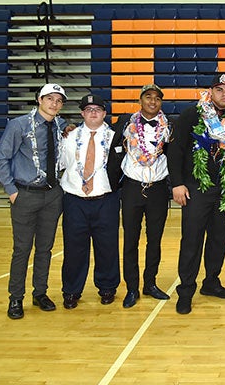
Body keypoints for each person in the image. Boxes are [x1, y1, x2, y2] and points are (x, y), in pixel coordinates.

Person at [168, 74, 225, 314]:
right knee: (191, 240)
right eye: (219, 89)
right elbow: (176, 149)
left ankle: (211, 282)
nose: (224, 94)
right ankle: (186, 290)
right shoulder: (193, 114)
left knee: (219, 239)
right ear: (210, 91)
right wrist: (177, 183)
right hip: (195, 189)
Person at [0, 83, 68, 319]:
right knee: (22, 249)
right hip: (25, 193)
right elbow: (2, 158)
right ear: (39, 99)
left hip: (52, 194)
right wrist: (11, 190)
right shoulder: (19, 125)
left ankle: (40, 292)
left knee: (45, 248)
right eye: (50, 98)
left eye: (58, 100)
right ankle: (16, 297)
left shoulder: (60, 125)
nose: (54, 103)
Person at [59, 94, 122, 309]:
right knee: (74, 248)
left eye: (97, 109)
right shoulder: (69, 136)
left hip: (106, 199)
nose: (93, 113)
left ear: (105, 114)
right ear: (82, 113)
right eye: (88, 109)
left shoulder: (116, 137)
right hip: (75, 200)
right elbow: (61, 164)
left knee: (107, 246)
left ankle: (107, 287)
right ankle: (71, 290)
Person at [113, 84, 172, 308]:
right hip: (132, 188)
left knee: (154, 240)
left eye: (157, 98)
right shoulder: (125, 123)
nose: (153, 101)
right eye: (148, 97)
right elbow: (102, 134)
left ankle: (150, 283)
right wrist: (68, 127)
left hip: (157, 188)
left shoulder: (170, 127)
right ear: (140, 100)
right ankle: (131, 288)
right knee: (130, 240)